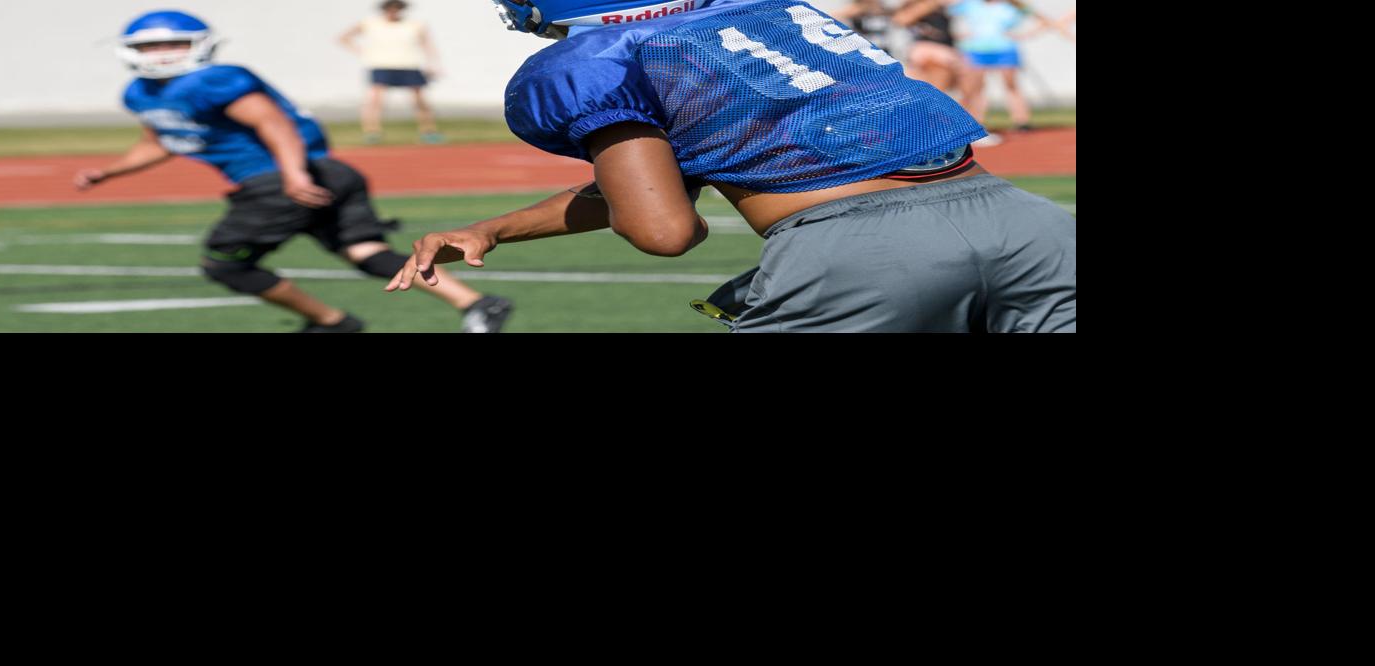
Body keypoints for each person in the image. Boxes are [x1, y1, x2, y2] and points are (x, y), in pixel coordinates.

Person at [387, 0, 1075, 333]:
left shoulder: (594, 60)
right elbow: (665, 180)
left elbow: (662, 226)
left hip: (859, 255)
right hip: (1028, 224)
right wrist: (495, 228)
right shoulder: (765, 16)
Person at [76, 10, 512, 333]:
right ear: (129, 51)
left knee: (225, 263)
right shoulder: (142, 92)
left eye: (171, 44)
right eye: (149, 46)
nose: (161, 54)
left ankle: (330, 322)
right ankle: (477, 303)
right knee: (365, 252)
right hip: (326, 175)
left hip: (282, 180)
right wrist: (109, 173)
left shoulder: (212, 80)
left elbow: (274, 124)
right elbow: (161, 140)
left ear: (199, 44)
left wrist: (293, 176)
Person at [338, 1, 444, 145]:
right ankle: (372, 132)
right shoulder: (370, 23)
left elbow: (427, 45)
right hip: (381, 65)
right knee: (376, 100)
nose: (393, 11)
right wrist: (363, 53)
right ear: (384, 9)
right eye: (390, 8)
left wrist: (433, 64)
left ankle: (429, 132)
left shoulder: (415, 25)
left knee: (419, 101)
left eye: (397, 8)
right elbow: (343, 37)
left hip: (409, 65)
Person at [950, 0, 1051, 134]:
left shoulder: (1012, 5)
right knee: (977, 87)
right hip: (976, 50)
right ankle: (977, 122)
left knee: (1011, 84)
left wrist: (1025, 35)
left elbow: (1043, 20)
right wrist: (954, 35)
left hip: (1005, 49)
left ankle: (1022, 121)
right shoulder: (970, 4)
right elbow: (944, 13)